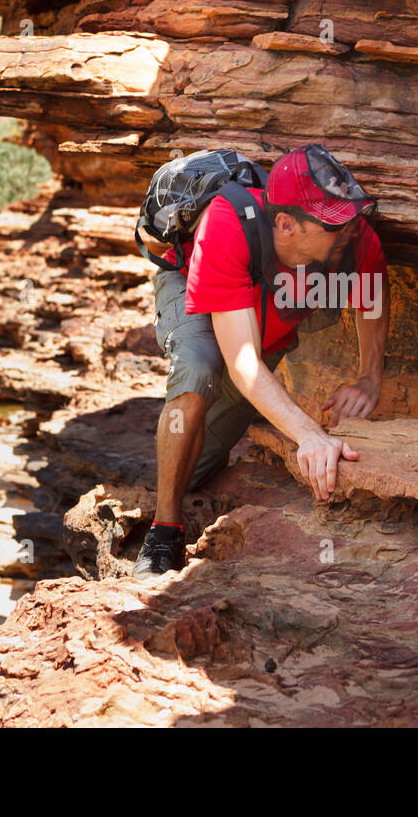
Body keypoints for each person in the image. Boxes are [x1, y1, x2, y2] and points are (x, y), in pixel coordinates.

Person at [135, 144, 390, 577]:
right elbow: (244, 362)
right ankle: (163, 533)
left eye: (347, 218)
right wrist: (309, 435)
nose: (349, 229)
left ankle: (175, 471)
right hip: (197, 295)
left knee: (194, 468)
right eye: (331, 223)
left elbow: (372, 289)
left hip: (261, 324)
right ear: (287, 224)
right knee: (201, 367)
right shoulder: (228, 222)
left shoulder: (350, 232)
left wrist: (369, 376)